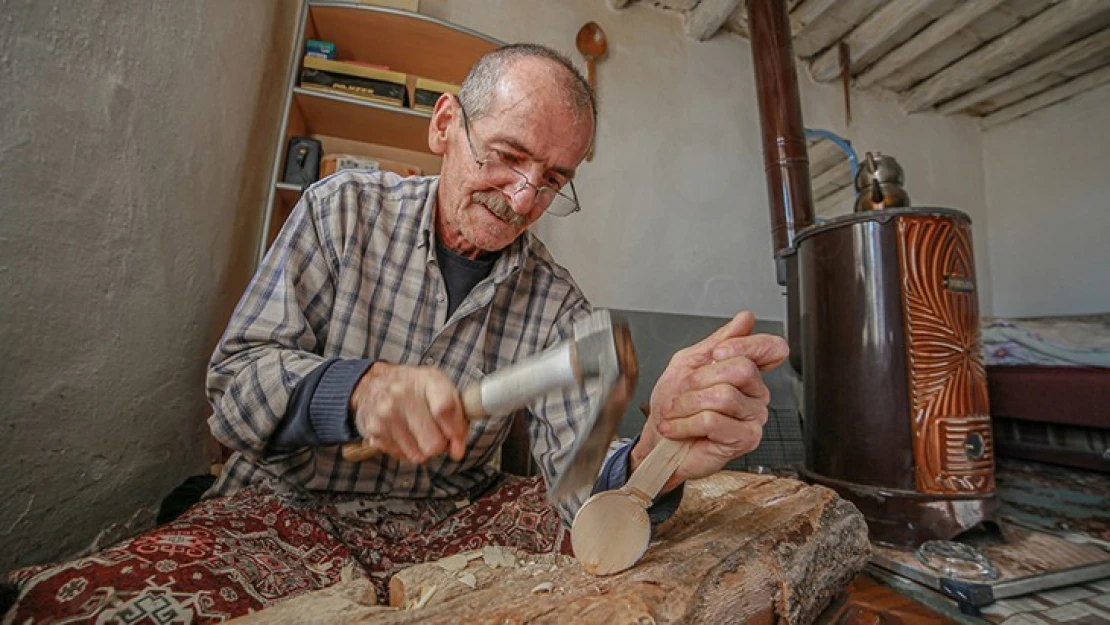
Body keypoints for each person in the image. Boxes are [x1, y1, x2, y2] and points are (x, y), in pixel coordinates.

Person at [3, 43, 787, 621]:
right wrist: (356, 389)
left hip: (449, 527)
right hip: (288, 504)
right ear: (445, 125)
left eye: (552, 179)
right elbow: (232, 391)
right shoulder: (340, 210)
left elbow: (574, 482)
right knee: (89, 607)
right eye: (509, 156)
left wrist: (658, 452)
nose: (522, 197)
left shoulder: (559, 307)